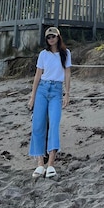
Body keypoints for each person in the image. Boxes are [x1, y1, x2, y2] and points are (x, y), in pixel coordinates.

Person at [28, 26, 71, 178]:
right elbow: (38, 75)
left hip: (56, 90)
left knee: (54, 124)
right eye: (48, 37)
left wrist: (67, 94)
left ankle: (51, 164)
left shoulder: (65, 53)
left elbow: (67, 73)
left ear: (58, 37)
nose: (51, 39)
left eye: (53, 36)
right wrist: (32, 96)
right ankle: (40, 163)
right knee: (38, 124)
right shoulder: (43, 54)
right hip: (42, 89)